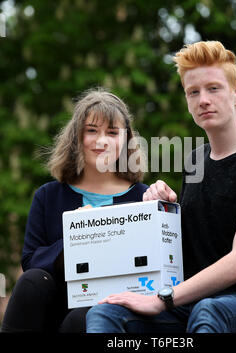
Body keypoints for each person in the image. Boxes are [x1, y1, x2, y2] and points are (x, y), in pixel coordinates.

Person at [86, 41, 236, 333]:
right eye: (193, 92)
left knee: (209, 311)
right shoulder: (195, 160)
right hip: (189, 304)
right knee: (105, 313)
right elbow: (184, 248)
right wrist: (161, 208)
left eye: (214, 88)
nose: (203, 99)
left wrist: (163, 299)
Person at [1, 88, 148, 332]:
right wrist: (76, 238)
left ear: (126, 140)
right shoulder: (48, 196)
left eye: (112, 132)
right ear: (76, 137)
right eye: (92, 130)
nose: (102, 141)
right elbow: (30, 261)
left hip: (114, 306)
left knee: (84, 318)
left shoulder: (144, 196)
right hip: (56, 302)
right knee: (32, 281)